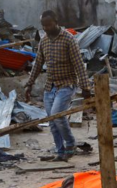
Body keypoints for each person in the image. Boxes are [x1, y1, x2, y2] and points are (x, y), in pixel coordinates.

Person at [25, 10, 91, 162]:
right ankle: (60, 152)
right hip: (50, 86)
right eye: (43, 26)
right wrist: (29, 84)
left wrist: (86, 87)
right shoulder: (44, 42)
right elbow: (38, 65)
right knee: (52, 121)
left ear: (56, 22)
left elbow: (79, 65)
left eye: (49, 24)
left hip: (67, 84)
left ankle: (71, 143)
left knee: (58, 115)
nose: (46, 28)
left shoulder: (69, 39)